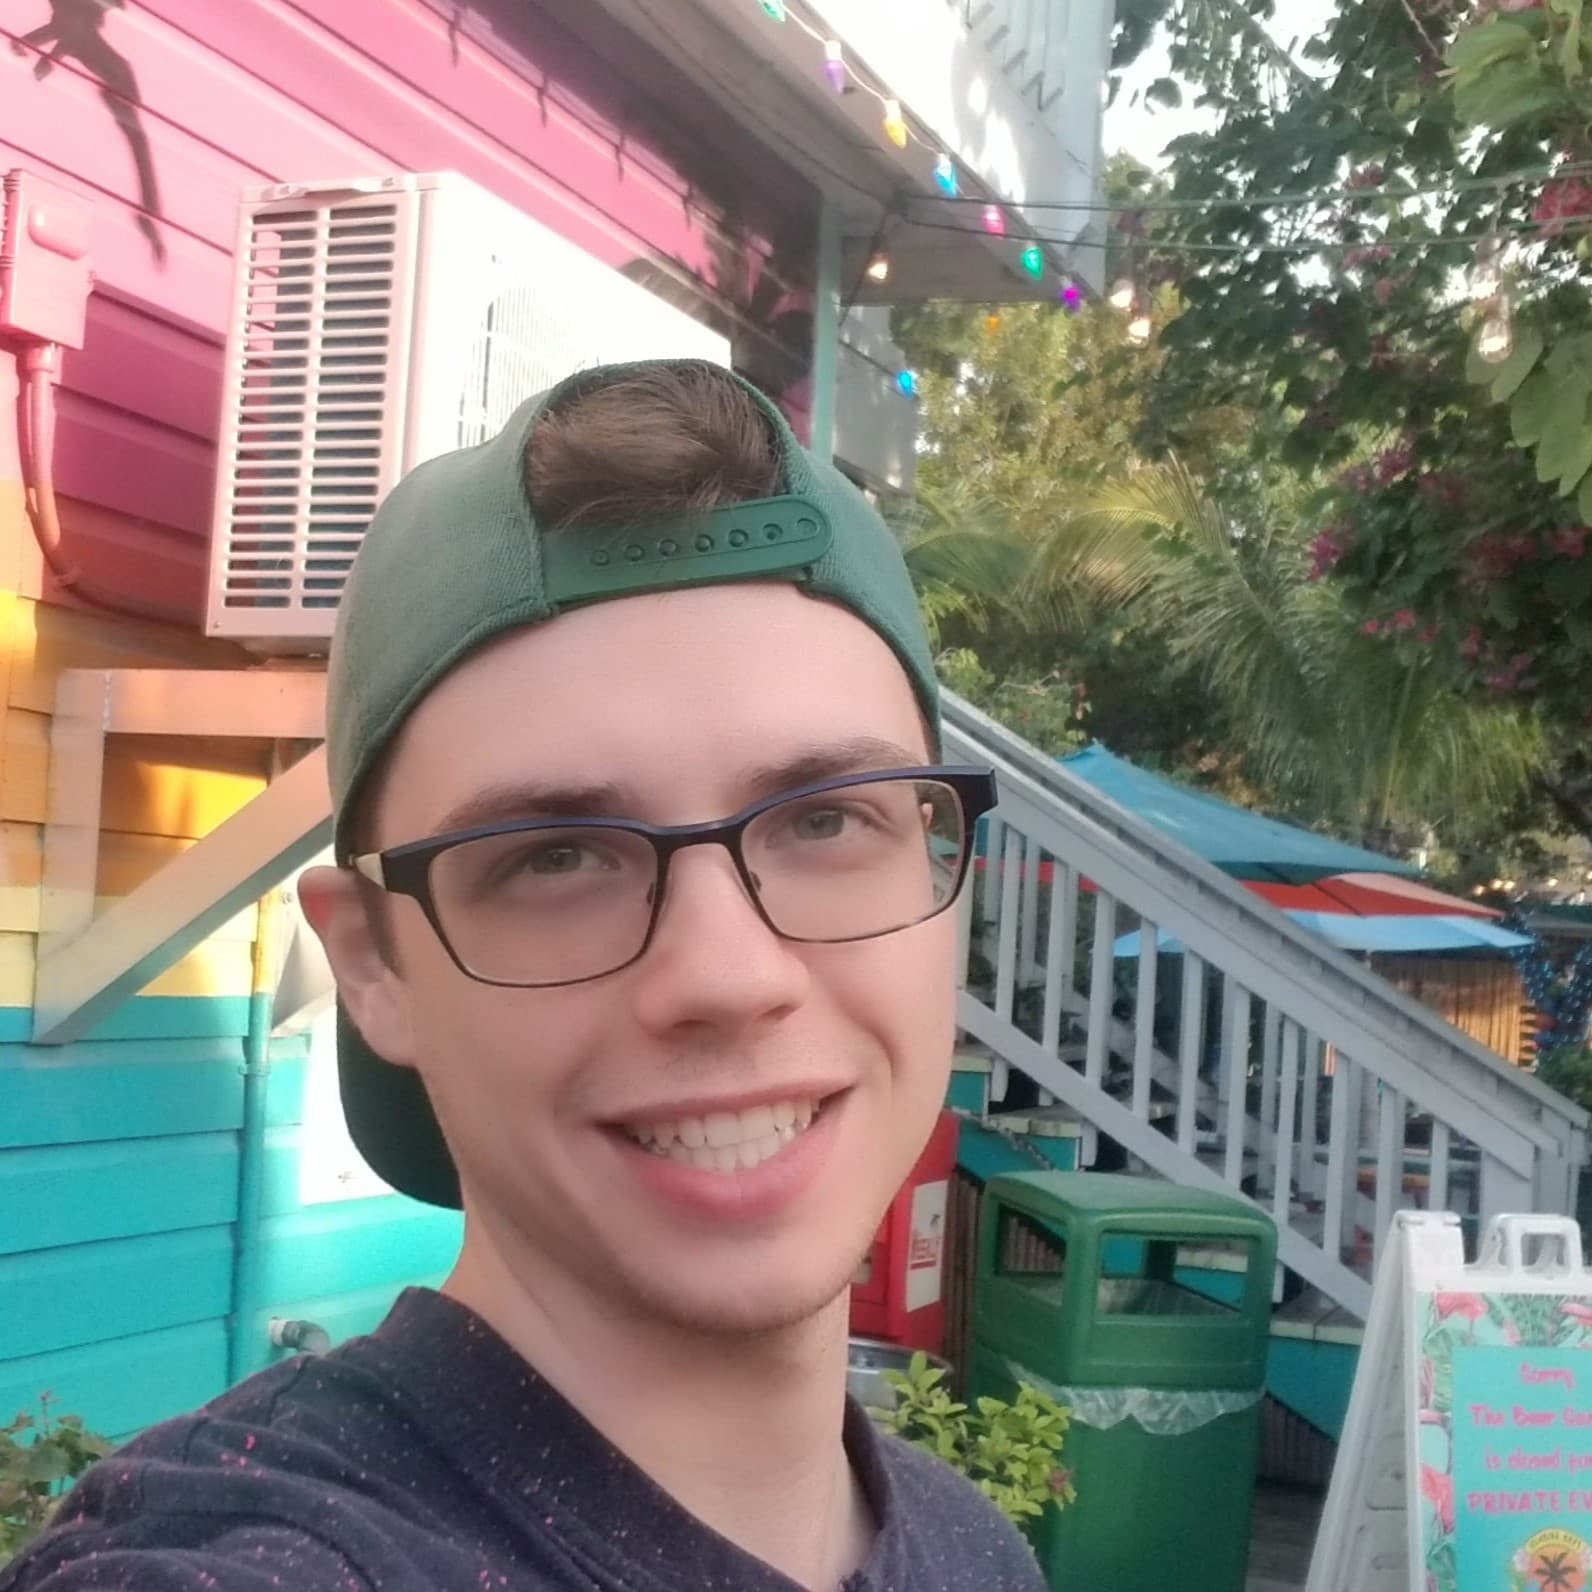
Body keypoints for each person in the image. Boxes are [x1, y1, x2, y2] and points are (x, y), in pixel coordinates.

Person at [1, 360, 1041, 1591]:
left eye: (823, 821)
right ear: (376, 960)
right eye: (555, 855)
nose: (723, 973)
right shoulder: (257, 1562)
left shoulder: (971, 1551)